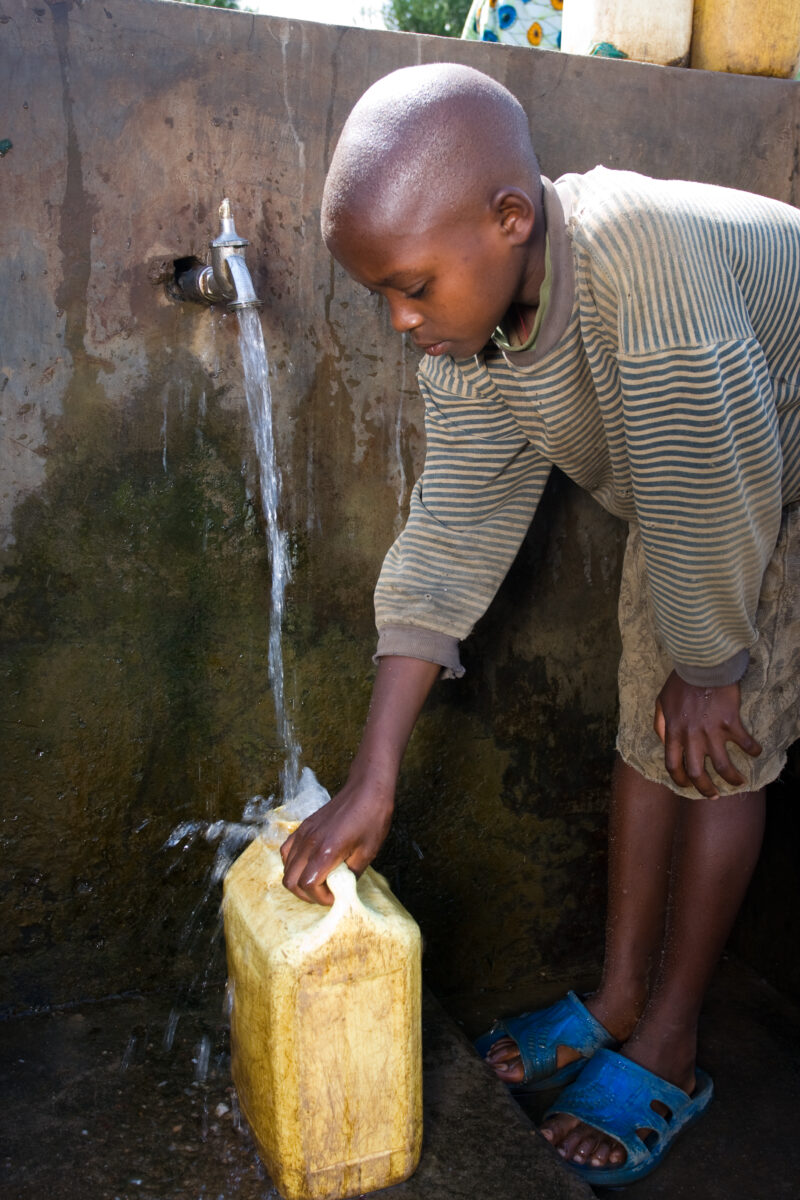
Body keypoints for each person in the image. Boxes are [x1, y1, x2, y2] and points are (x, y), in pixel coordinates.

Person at [280, 62, 800, 1186]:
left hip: (774, 458)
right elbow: (450, 533)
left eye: (410, 286)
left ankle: (669, 1038)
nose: (399, 318)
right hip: (699, 473)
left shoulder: (645, 288)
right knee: (643, 722)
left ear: (508, 219)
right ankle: (615, 998)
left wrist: (711, 663)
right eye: (381, 294)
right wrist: (372, 774)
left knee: (718, 738)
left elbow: (721, 485)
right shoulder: (472, 335)